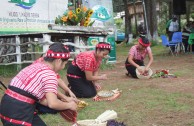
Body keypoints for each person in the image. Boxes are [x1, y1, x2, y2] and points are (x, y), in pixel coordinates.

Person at [0, 42, 78, 126]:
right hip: (19, 110)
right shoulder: (49, 74)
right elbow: (53, 104)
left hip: (6, 105)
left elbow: (40, 99)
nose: (63, 68)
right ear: (59, 61)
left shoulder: (36, 65)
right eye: (64, 64)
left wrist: (63, 102)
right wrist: (69, 105)